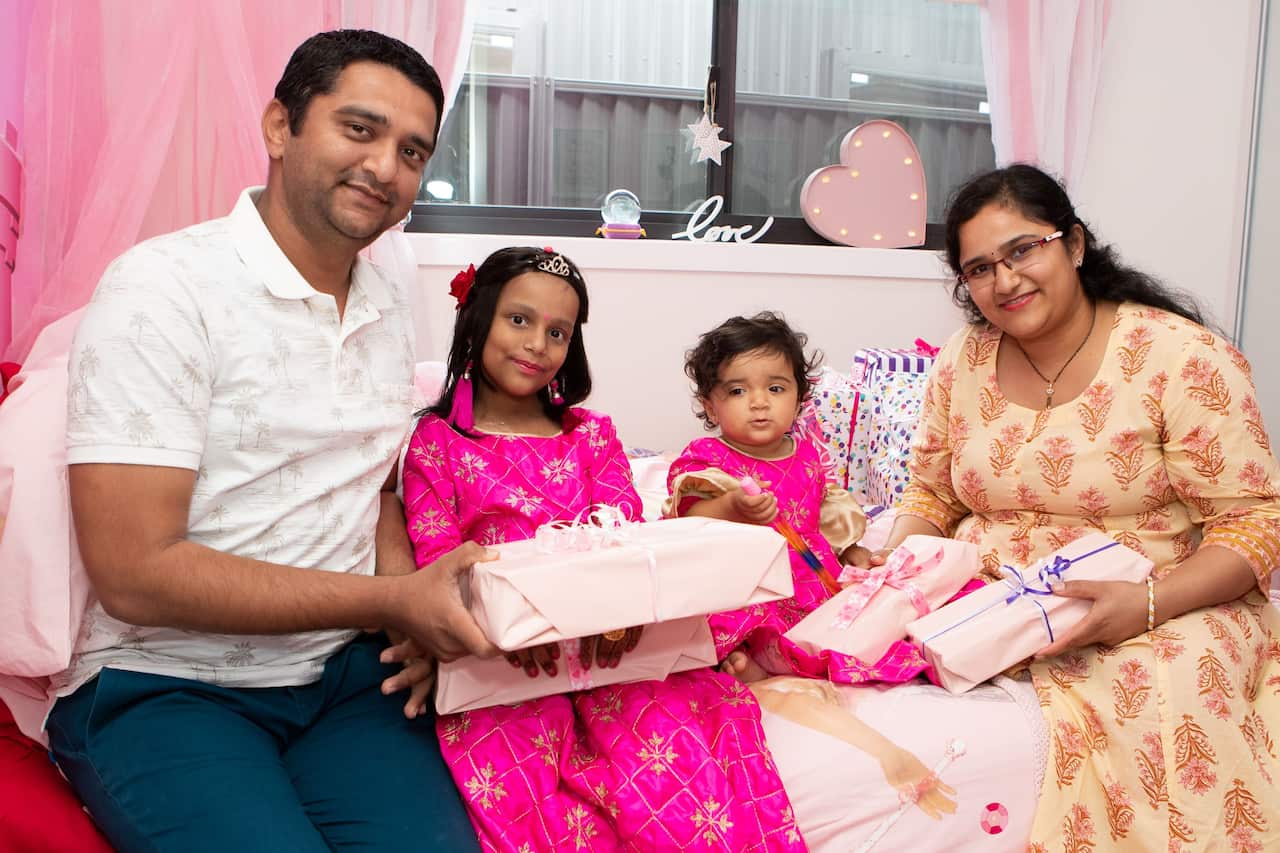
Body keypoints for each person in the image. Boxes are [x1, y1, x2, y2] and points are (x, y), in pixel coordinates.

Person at [54, 30, 491, 851]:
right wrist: (393, 601)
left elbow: (378, 486)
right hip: (165, 683)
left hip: (340, 681)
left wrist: (413, 623)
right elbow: (134, 574)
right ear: (280, 126)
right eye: (358, 130)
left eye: (411, 150)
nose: (385, 168)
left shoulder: (390, 297)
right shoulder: (163, 289)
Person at [873, 163, 1280, 850]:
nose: (1005, 281)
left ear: (1076, 244)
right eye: (979, 268)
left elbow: (1256, 523)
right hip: (993, 598)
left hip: (1161, 601)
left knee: (1166, 717)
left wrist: (1145, 605)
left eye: (1022, 249)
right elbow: (932, 492)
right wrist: (893, 570)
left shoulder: (1181, 359)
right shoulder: (963, 360)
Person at [387, 248, 806, 852]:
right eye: (519, 320)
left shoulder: (591, 435)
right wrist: (517, 631)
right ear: (477, 319)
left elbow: (625, 541)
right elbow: (437, 560)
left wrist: (602, 618)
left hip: (616, 649)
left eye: (557, 331)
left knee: (685, 791)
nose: (537, 344)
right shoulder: (437, 443)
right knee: (538, 812)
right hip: (504, 663)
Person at [666, 312, 927, 686]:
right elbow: (687, 512)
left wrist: (848, 548)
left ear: (799, 398)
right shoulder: (709, 457)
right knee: (727, 620)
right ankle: (749, 659)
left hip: (807, 570)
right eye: (738, 391)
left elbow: (826, 508)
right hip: (747, 575)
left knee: (843, 622)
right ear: (710, 406)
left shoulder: (805, 453)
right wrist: (731, 507)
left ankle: (781, 660)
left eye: (775, 389)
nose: (758, 402)